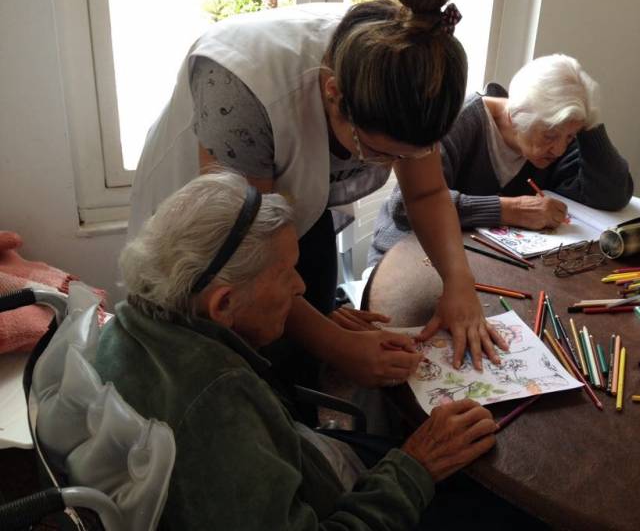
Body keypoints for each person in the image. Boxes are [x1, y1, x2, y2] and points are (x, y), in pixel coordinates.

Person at [127, 0, 505, 393]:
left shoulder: (410, 60)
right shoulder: (240, 90)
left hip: (291, 206)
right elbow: (247, 262)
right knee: (244, 375)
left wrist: (459, 286)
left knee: (310, 340)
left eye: (410, 156)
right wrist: (338, 347)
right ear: (333, 94)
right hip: (213, 234)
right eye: (380, 153)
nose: (394, 170)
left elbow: (425, 194)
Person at [94, 171, 502, 530]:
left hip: (309, 460)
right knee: (494, 504)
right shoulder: (215, 409)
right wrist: (416, 467)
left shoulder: (131, 323)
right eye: (286, 274)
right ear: (224, 304)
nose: (301, 287)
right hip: (336, 501)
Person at [369, 53, 634, 265]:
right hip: (407, 255)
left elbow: (611, 195)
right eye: (550, 136)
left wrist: (589, 126)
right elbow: (405, 207)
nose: (559, 149)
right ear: (515, 115)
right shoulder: (459, 121)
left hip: (481, 262)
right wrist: (509, 209)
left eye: (569, 137)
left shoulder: (553, 134)